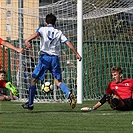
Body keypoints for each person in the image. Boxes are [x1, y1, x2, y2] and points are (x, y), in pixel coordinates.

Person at [22, 13, 82, 110]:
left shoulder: (42, 29)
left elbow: (36, 34)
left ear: (46, 22)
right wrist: (77, 54)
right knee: (58, 82)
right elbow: (68, 43)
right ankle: (68, 93)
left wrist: (28, 40)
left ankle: (30, 103)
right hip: (55, 58)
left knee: (33, 80)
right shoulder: (58, 32)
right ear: (55, 23)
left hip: (45, 58)